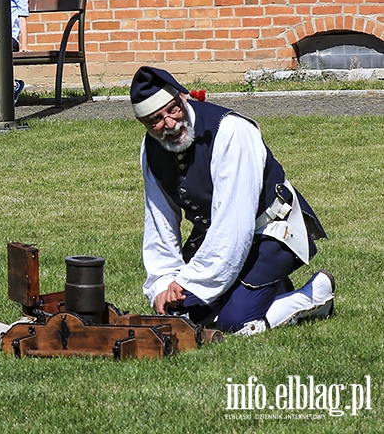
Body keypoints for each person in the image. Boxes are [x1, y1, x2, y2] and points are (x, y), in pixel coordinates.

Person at [131, 66, 335, 335]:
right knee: (181, 315)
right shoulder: (150, 151)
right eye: (155, 120)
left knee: (234, 323)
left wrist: (189, 282)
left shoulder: (230, 131)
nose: (169, 125)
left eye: (173, 110)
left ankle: (315, 295)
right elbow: (159, 223)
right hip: (220, 238)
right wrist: (163, 283)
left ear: (184, 98)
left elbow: (234, 224)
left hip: (271, 231)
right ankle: (269, 288)